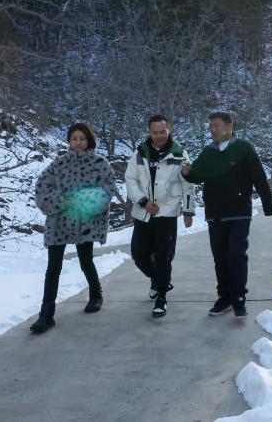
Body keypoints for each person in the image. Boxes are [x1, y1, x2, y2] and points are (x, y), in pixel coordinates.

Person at [182, 111, 272, 319]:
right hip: (214, 213)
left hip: (239, 212)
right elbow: (197, 175)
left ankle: (239, 299)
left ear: (229, 126)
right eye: (211, 127)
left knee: (236, 254)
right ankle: (224, 298)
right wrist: (188, 173)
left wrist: (269, 205)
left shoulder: (243, 148)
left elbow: (259, 176)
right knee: (220, 258)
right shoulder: (208, 152)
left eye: (216, 125)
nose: (213, 130)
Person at [30, 122, 118, 335]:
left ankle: (96, 294)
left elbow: (109, 188)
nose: (78, 143)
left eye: (82, 139)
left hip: (85, 220)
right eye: (74, 139)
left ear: (89, 140)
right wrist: (61, 200)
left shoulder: (99, 163)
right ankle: (46, 314)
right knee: (53, 268)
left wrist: (84, 200)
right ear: (69, 141)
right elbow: (41, 188)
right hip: (59, 222)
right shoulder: (59, 164)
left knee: (86, 261)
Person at [125, 114, 196, 318]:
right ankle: (158, 281)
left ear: (169, 129)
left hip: (167, 213)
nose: (158, 136)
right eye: (155, 132)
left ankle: (161, 297)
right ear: (149, 132)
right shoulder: (139, 153)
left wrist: (188, 211)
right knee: (139, 254)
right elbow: (130, 180)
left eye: (162, 132)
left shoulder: (179, 153)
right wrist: (143, 202)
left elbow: (188, 185)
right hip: (144, 213)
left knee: (164, 256)